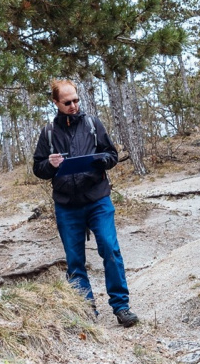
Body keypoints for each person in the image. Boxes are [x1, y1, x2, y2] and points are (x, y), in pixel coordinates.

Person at [32, 79, 139, 328]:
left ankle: (121, 307)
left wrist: (99, 160)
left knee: (111, 250)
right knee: (75, 260)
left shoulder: (92, 123)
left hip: (97, 199)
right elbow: (38, 168)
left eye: (76, 100)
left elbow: (112, 155)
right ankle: (86, 310)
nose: (73, 106)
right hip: (66, 205)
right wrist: (51, 164)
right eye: (67, 102)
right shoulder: (48, 132)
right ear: (56, 102)